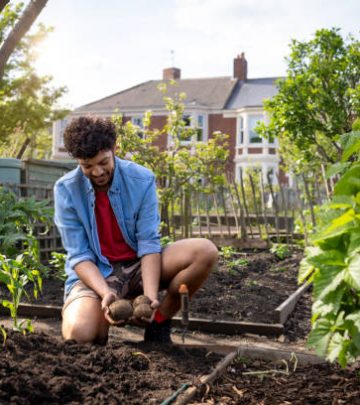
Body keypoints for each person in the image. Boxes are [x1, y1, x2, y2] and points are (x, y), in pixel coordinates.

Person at [54, 116, 218, 345]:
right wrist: (105, 293)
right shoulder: (66, 190)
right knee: (79, 335)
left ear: (114, 148)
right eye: (87, 166)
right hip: (99, 272)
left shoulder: (141, 179)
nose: (98, 172)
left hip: (139, 266)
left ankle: (158, 323)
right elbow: (80, 256)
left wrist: (150, 297)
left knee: (204, 251)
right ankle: (101, 324)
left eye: (103, 162)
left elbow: (149, 243)